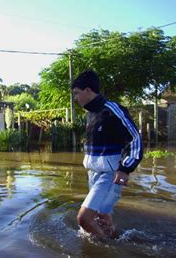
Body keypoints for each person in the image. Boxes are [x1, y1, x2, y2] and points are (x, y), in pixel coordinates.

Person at [71, 70, 143, 238]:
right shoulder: (90, 114)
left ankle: (107, 250)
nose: (75, 98)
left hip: (110, 174)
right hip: (93, 174)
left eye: (76, 93)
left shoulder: (112, 110)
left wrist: (125, 168)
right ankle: (117, 240)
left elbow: (135, 138)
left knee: (84, 219)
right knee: (101, 217)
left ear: (88, 90)